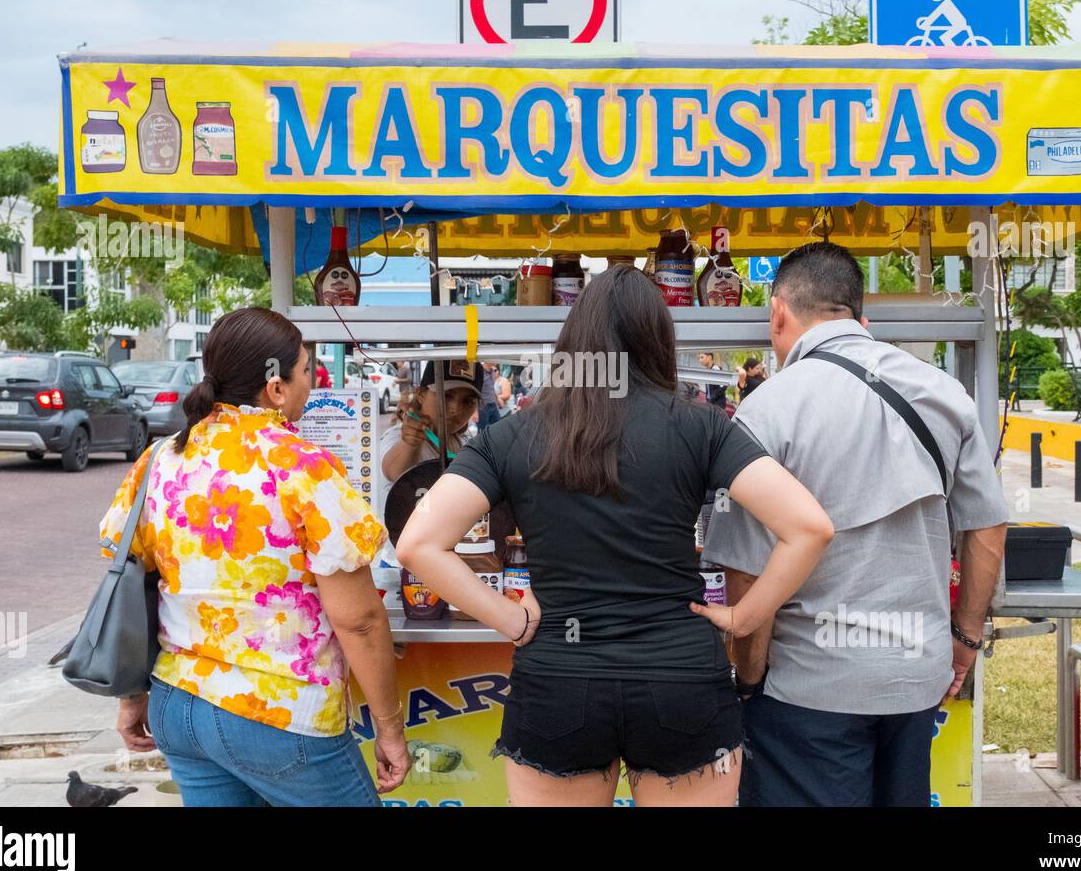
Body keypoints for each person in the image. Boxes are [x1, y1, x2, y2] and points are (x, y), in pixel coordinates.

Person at [396, 265, 834, 807]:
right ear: (659, 339)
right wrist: (743, 619)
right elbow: (809, 527)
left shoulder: (512, 434)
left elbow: (417, 543)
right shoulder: (701, 426)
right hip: (680, 681)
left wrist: (509, 618)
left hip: (558, 678)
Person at [703, 242, 1009, 807]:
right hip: (917, 678)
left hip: (807, 691)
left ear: (778, 314)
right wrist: (963, 639)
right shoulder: (945, 393)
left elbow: (746, 570)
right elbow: (987, 526)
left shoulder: (766, 410)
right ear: (859, 318)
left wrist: (749, 678)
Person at [101, 307, 410, 806]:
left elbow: (135, 585)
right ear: (276, 389)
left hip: (178, 706)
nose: (311, 382)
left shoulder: (159, 460)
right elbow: (360, 622)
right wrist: (390, 728)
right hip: (281, 713)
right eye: (307, 371)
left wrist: (132, 696)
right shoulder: (303, 467)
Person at [381, 360, 483, 484]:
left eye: (467, 401)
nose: (455, 409)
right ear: (420, 394)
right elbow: (392, 472)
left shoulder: (464, 440)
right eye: (446, 395)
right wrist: (409, 443)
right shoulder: (398, 436)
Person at [476, 362, 503, 429]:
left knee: (497, 428)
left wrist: (498, 399)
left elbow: (490, 387)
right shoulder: (479, 371)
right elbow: (474, 391)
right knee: (483, 432)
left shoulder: (493, 371)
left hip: (493, 404)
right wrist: (474, 411)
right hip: (482, 407)